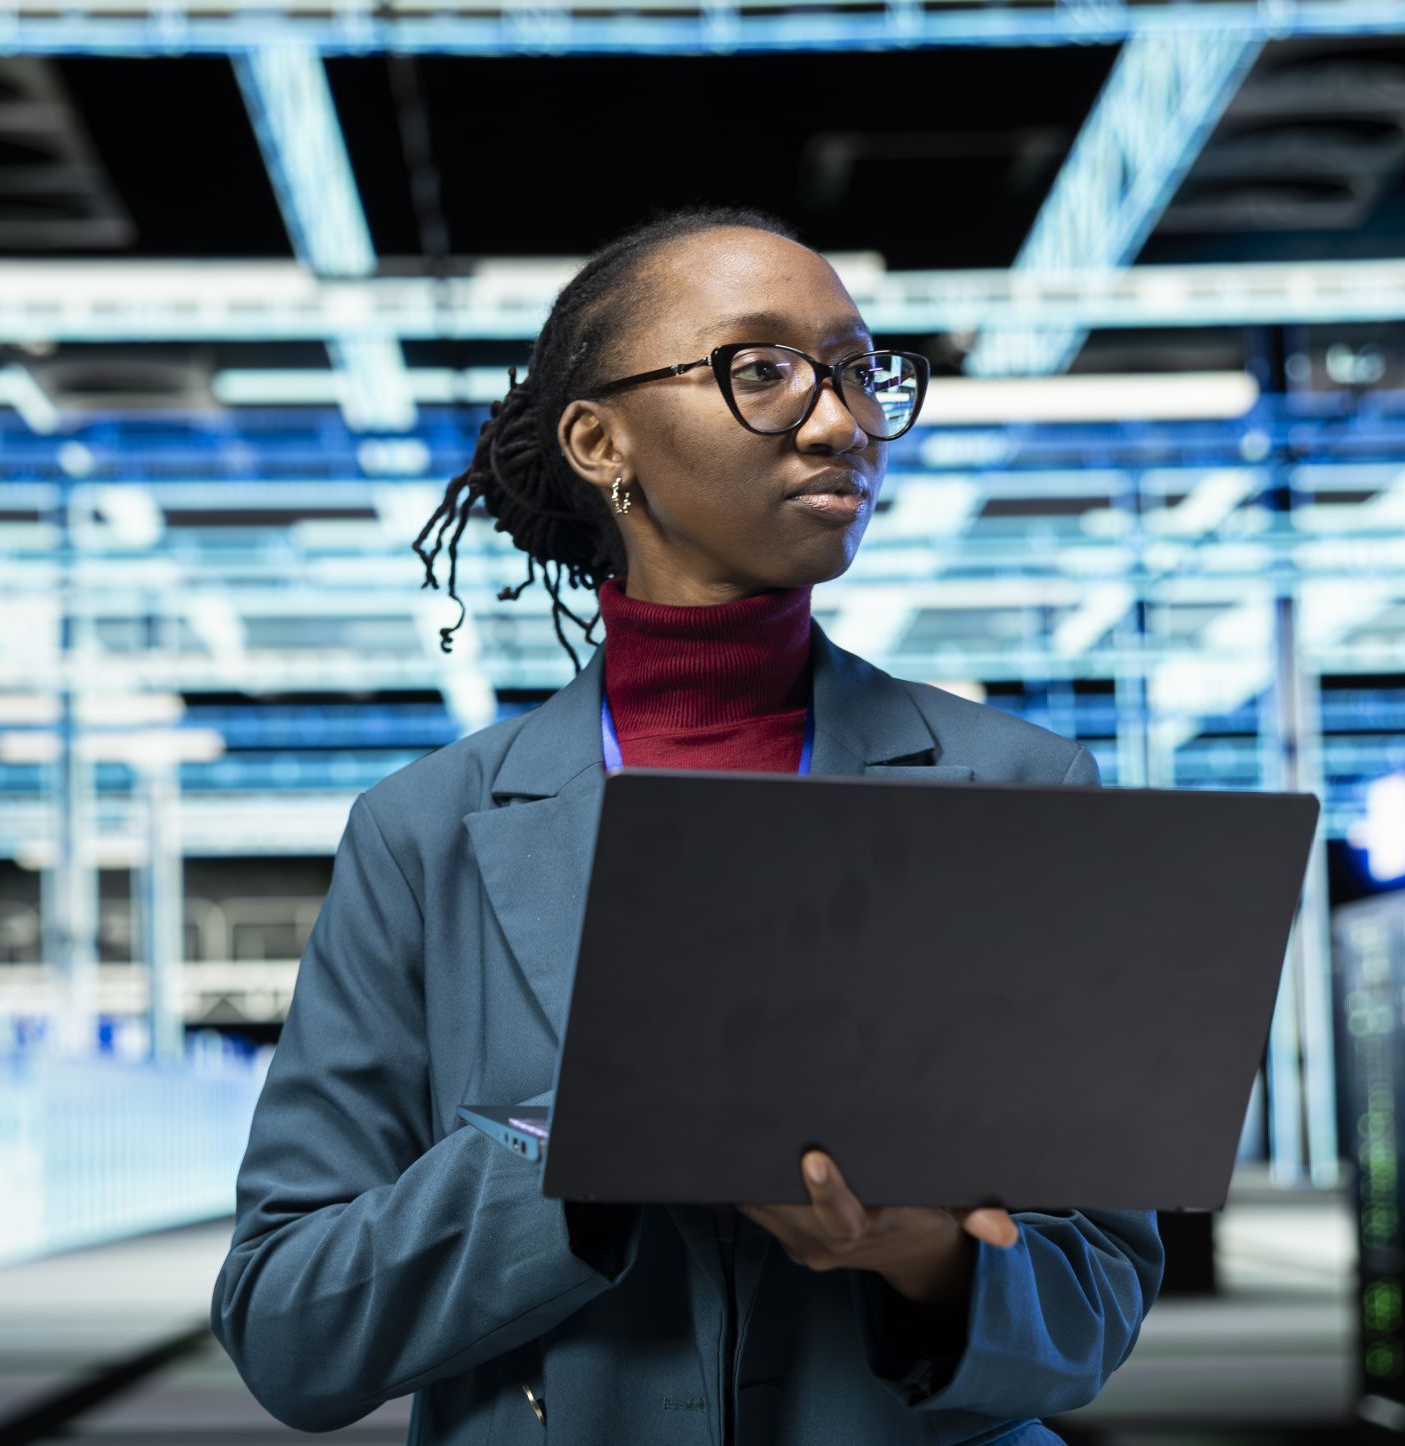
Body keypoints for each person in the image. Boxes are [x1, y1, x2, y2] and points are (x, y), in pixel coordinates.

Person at [209, 206, 1164, 1444]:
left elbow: (1095, 1300)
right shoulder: (423, 835)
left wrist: (924, 1259)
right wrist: (584, 1145)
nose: (840, 421)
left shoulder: (1019, 793)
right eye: (760, 371)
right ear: (599, 441)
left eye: (858, 373)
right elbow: (288, 1327)